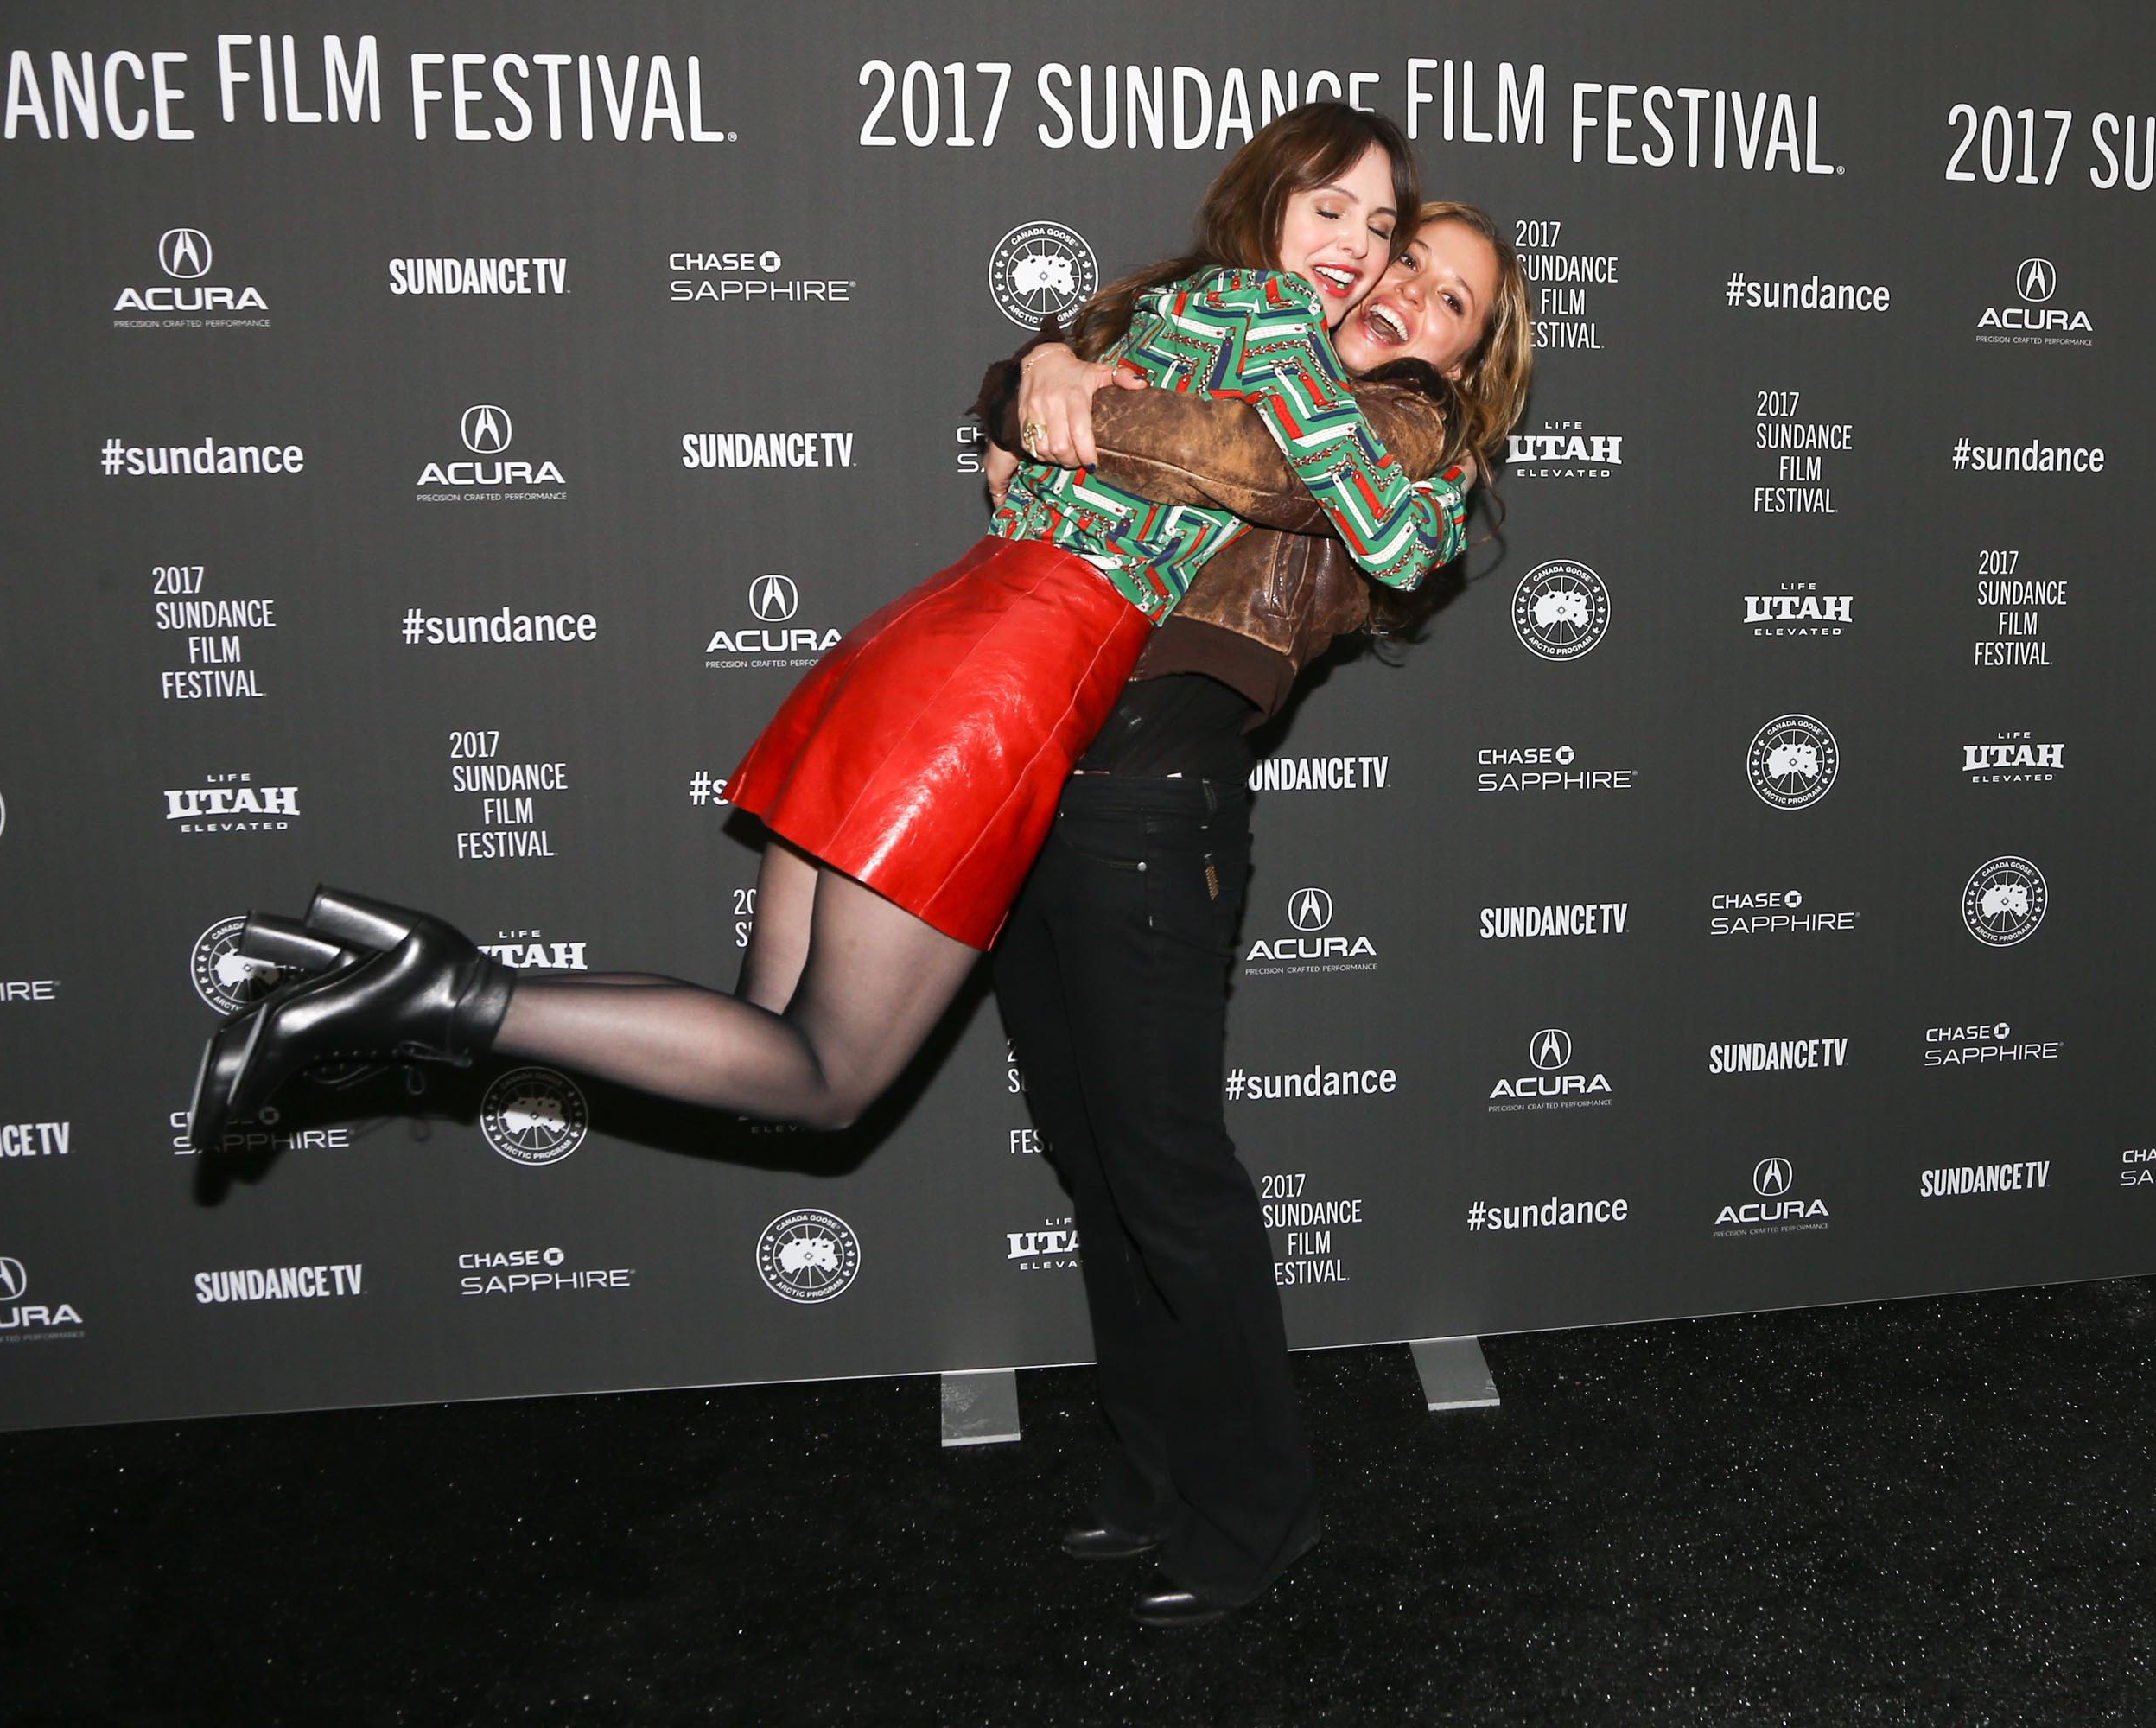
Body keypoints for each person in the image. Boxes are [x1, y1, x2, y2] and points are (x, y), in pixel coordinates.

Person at [185, 105, 1466, 1164]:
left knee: (764, 1033)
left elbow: (1018, 457)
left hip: (927, 633)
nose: (1357, 245)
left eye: (1382, 224)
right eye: (1329, 208)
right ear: (1268, 203)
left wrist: (1040, 379)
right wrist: (1442, 481)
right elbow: (1399, 544)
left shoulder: (1160, 313)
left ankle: (414, 982)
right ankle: (444, 994)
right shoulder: (1283, 335)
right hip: (1014, 673)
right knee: (829, 1076)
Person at [974, 206, 1533, 1628]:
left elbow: (1237, 461)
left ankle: (1253, 1519)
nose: (1407, 289)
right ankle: (1157, 1475)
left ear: (1471, 358)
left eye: (1450, 297)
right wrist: (1038, 369)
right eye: (1408, 259)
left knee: (1169, 1179)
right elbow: (1096, 412)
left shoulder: (1407, 433)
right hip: (1048, 772)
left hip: (1153, 810)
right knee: (1098, 1166)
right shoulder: (1251, 349)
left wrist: (1060, 386)